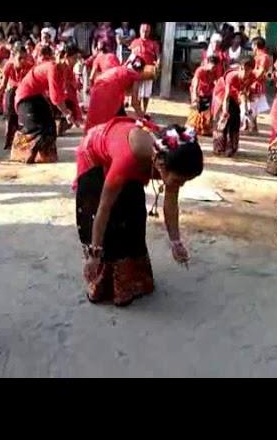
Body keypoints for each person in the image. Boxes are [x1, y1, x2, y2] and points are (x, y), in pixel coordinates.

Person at [75, 117, 202, 306]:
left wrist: (176, 242)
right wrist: (94, 256)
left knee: (134, 215)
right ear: (160, 165)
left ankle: (133, 277)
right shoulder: (128, 159)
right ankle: (104, 280)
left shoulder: (170, 150)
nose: (180, 185)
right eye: (178, 180)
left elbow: (171, 202)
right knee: (113, 221)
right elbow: (104, 207)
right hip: (94, 155)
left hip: (127, 155)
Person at [11, 43, 81, 163]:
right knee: (37, 129)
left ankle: (43, 156)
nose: (76, 61)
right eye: (74, 58)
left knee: (50, 128)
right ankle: (18, 150)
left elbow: (72, 93)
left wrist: (76, 114)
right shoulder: (52, 67)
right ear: (65, 57)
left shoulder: (67, 71)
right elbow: (55, 97)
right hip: (25, 97)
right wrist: (66, 113)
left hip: (37, 97)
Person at [85, 56, 154, 132]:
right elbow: (134, 103)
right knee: (105, 126)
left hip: (98, 87)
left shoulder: (122, 69)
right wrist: (143, 116)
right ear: (142, 70)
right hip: (108, 92)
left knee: (96, 121)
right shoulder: (135, 76)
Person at [211, 56, 256, 157]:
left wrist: (247, 111)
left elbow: (245, 93)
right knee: (224, 119)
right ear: (240, 68)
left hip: (236, 95)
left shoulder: (252, 77)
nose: (245, 73)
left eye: (248, 70)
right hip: (222, 94)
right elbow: (226, 96)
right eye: (243, 69)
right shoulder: (232, 76)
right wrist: (225, 111)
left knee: (235, 118)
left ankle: (232, 147)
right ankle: (219, 147)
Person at [0, 44, 32, 149]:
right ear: (14, 55)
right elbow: (3, 85)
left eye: (24, 58)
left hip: (25, 93)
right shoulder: (9, 65)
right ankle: (9, 142)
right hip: (12, 92)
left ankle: (22, 144)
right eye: (20, 58)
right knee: (10, 118)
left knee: (24, 120)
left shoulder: (30, 65)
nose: (22, 61)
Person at [130, 24, 160, 115]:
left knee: (146, 93)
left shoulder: (153, 44)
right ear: (140, 31)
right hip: (137, 70)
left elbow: (158, 56)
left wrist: (158, 63)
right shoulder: (135, 42)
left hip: (148, 70)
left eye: (146, 31)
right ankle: (139, 112)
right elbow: (132, 56)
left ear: (149, 32)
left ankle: (145, 110)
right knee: (137, 92)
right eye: (143, 30)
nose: (144, 32)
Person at [187, 56, 220, 136]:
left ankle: (204, 128)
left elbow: (217, 83)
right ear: (208, 63)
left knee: (206, 113)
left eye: (215, 67)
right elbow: (195, 84)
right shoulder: (200, 70)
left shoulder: (215, 71)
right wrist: (195, 97)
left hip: (208, 92)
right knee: (195, 112)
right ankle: (191, 128)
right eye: (212, 67)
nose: (213, 69)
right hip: (198, 92)